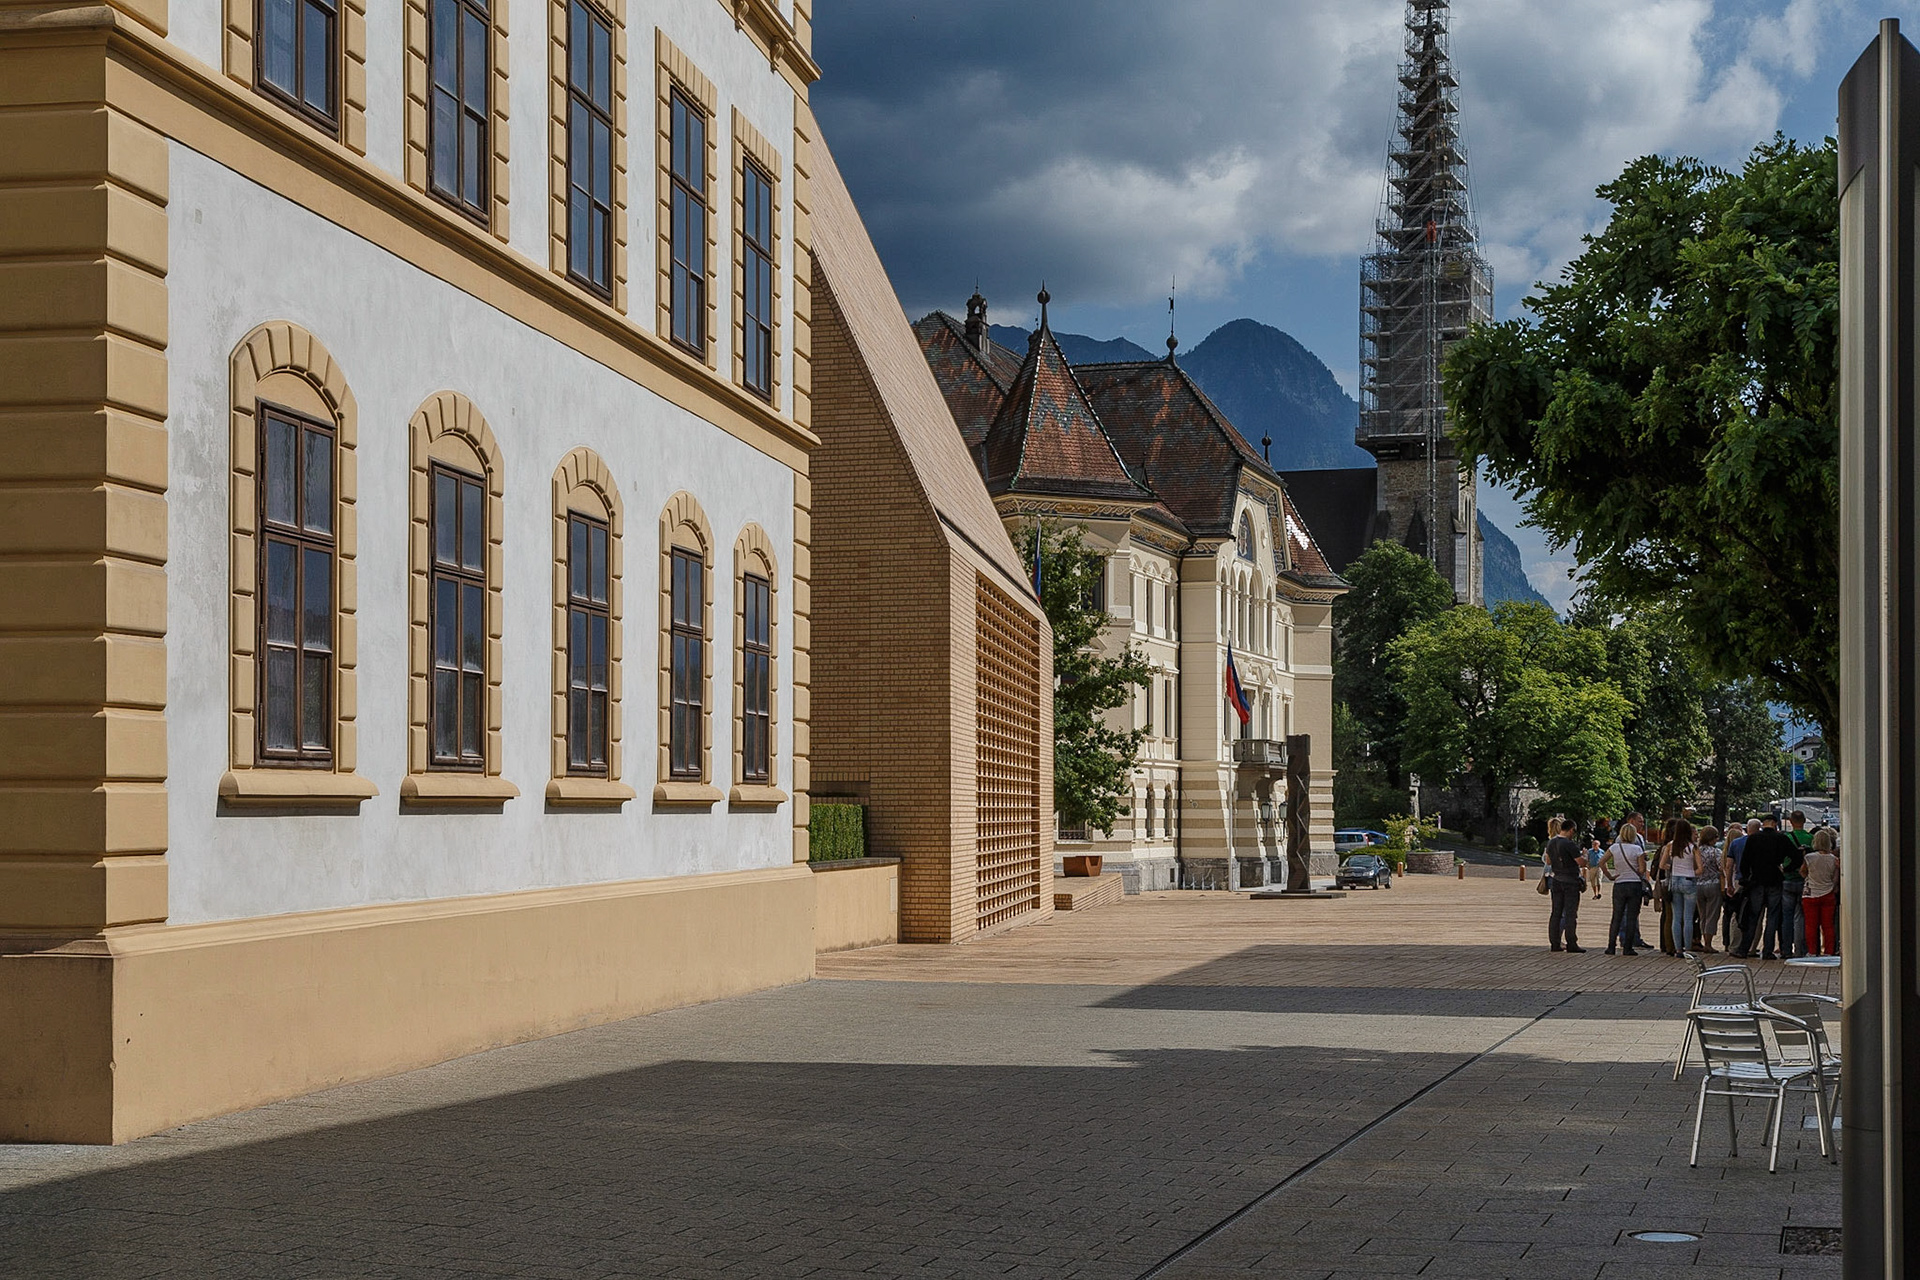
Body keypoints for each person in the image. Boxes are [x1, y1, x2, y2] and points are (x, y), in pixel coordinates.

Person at [1734, 812, 1795, 960]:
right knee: (1772, 916)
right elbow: (1796, 856)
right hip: (1775, 879)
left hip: (1756, 881)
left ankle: (1744, 949)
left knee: (1753, 916)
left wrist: (1746, 877)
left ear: (1763, 824)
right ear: (1775, 824)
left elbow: (1744, 862)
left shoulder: (1753, 838)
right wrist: (1786, 869)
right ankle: (1768, 951)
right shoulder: (1781, 838)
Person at [1604, 820, 1649, 956]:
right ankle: (1628, 948)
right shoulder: (1637, 850)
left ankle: (1611, 946)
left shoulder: (1614, 848)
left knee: (1616, 916)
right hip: (1634, 884)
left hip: (1619, 883)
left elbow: (1601, 862)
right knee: (1631, 917)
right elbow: (1642, 870)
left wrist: (1610, 875)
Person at [1544, 818, 1588, 952]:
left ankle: (1555, 943)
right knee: (1570, 913)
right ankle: (1571, 943)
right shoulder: (1569, 844)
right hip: (1570, 881)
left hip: (1556, 879)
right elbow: (1581, 862)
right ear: (1571, 830)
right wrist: (1585, 856)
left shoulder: (1551, 842)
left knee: (1556, 913)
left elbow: (1548, 861)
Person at [1660, 819, 1701, 959]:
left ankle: (1678, 949)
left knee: (1676, 917)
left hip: (1674, 880)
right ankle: (1687, 949)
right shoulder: (1693, 847)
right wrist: (1691, 872)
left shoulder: (1671, 845)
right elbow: (1700, 869)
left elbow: (1662, 865)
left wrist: (1672, 868)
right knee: (1688, 918)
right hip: (1688, 880)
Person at [1802, 827, 1842, 957]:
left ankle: (1812, 951)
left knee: (1811, 925)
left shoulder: (1809, 857)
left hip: (1810, 894)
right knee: (1828, 925)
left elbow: (1803, 872)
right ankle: (1829, 951)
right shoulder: (1834, 859)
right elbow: (1835, 878)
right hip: (1828, 894)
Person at [1724, 818, 1759, 952]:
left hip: (1740, 880)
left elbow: (1729, 866)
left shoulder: (1736, 843)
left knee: (1737, 913)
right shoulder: (1762, 842)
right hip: (1758, 882)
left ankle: (1734, 946)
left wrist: (1729, 883)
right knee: (1757, 915)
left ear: (1747, 829)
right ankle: (1752, 947)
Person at [1783, 810, 1814, 958]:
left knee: (1787, 917)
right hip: (1804, 880)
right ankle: (1801, 949)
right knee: (1802, 916)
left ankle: (1786, 949)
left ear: (1790, 821)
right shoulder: (1811, 838)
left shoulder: (1786, 837)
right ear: (1805, 820)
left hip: (1788, 879)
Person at [1694, 826, 1724, 955]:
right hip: (1713, 884)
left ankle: (1703, 939)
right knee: (1712, 915)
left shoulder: (1696, 850)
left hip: (1698, 885)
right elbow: (1721, 867)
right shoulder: (1715, 852)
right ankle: (1708, 943)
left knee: (1703, 915)